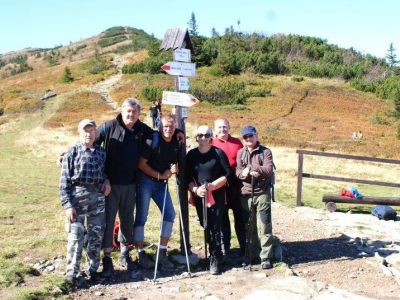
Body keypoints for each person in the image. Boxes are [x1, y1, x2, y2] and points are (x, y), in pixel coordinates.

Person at [59, 119, 111, 285]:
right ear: (79, 133)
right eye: (85, 131)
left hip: (97, 198)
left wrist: (106, 181)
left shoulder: (101, 152)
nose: (89, 134)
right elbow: (64, 181)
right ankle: (72, 273)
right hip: (77, 197)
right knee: (76, 236)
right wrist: (67, 205)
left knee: (96, 236)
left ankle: (92, 270)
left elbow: (104, 173)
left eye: (92, 131)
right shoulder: (72, 152)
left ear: (96, 132)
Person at [134, 114, 179, 269]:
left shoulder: (176, 141)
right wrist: (160, 175)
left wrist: (173, 168)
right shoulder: (152, 140)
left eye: (171, 126)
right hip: (146, 181)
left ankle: (161, 252)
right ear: (160, 126)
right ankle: (140, 254)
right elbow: (141, 164)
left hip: (162, 185)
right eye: (165, 126)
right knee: (141, 217)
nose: (168, 129)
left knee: (169, 215)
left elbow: (173, 161)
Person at [186, 125, 231, 275]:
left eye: (206, 135)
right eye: (200, 135)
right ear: (196, 137)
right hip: (200, 195)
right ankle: (215, 252)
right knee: (205, 224)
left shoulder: (218, 153)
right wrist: (195, 190)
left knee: (215, 226)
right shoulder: (191, 155)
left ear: (211, 137)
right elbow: (187, 176)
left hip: (216, 195)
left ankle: (214, 257)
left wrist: (213, 186)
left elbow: (227, 173)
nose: (203, 138)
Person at [236, 125, 275, 270]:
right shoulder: (240, 152)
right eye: (245, 137)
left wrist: (252, 168)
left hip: (262, 193)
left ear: (256, 135)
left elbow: (268, 169)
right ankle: (252, 255)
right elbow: (238, 172)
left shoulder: (265, 152)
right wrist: (245, 172)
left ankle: (266, 257)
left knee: (265, 226)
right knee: (249, 227)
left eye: (250, 136)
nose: (248, 139)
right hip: (246, 193)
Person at [211, 118, 246, 256]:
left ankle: (244, 246)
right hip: (219, 186)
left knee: (240, 218)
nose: (222, 130)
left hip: (236, 186)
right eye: (219, 127)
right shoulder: (211, 142)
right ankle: (225, 248)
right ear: (215, 129)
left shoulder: (237, 142)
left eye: (225, 127)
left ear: (229, 128)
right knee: (222, 219)